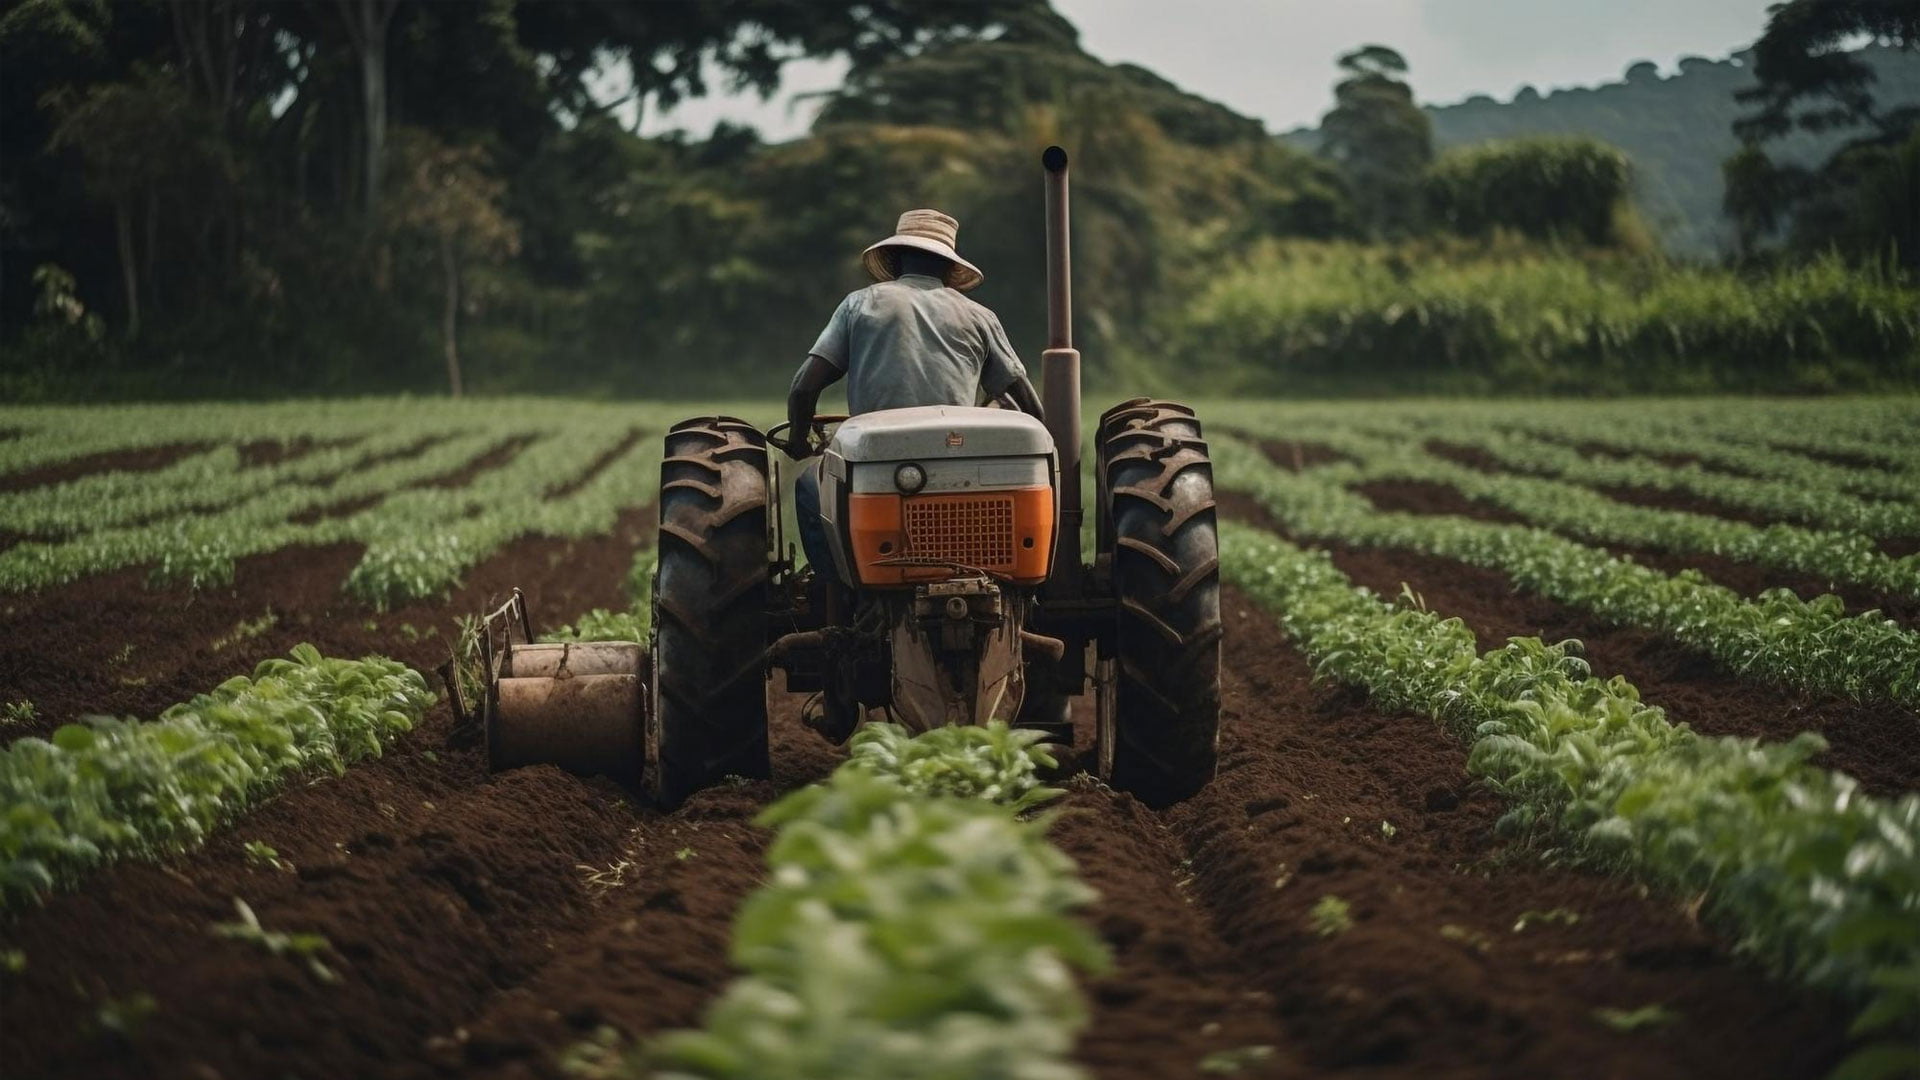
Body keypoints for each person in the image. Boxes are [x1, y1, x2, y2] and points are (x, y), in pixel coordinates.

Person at [784, 208, 1045, 588]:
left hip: (876, 464)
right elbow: (1031, 410)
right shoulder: (979, 316)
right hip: (964, 467)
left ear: (894, 259)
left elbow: (804, 387)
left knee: (810, 486)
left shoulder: (862, 304)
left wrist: (796, 440)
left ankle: (843, 597)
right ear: (949, 267)